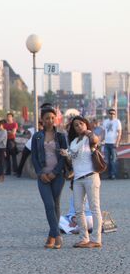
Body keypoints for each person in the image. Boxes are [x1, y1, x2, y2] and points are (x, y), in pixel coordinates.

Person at [31, 104, 67, 249]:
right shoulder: (37, 136)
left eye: (53, 118)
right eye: (47, 118)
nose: (50, 120)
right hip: (43, 176)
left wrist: (54, 173)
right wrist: (41, 173)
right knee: (49, 204)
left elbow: (64, 157)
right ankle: (57, 235)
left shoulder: (61, 136)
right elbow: (33, 157)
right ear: (42, 120)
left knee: (56, 204)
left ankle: (51, 236)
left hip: (58, 175)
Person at [65, 116, 102, 248]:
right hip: (77, 179)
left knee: (94, 208)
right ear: (73, 128)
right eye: (76, 125)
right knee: (78, 209)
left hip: (91, 176)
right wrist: (66, 155)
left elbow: (96, 140)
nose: (79, 126)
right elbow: (71, 161)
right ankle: (84, 238)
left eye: (81, 123)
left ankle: (96, 239)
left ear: (86, 124)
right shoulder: (74, 142)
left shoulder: (89, 138)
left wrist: (90, 133)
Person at [102, 109, 122, 180]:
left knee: (113, 160)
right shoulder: (105, 121)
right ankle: (108, 174)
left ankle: (113, 175)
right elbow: (103, 132)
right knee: (106, 160)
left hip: (113, 143)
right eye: (110, 113)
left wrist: (117, 142)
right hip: (106, 143)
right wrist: (102, 140)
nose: (112, 115)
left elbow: (119, 133)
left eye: (113, 113)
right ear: (108, 114)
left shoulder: (117, 121)